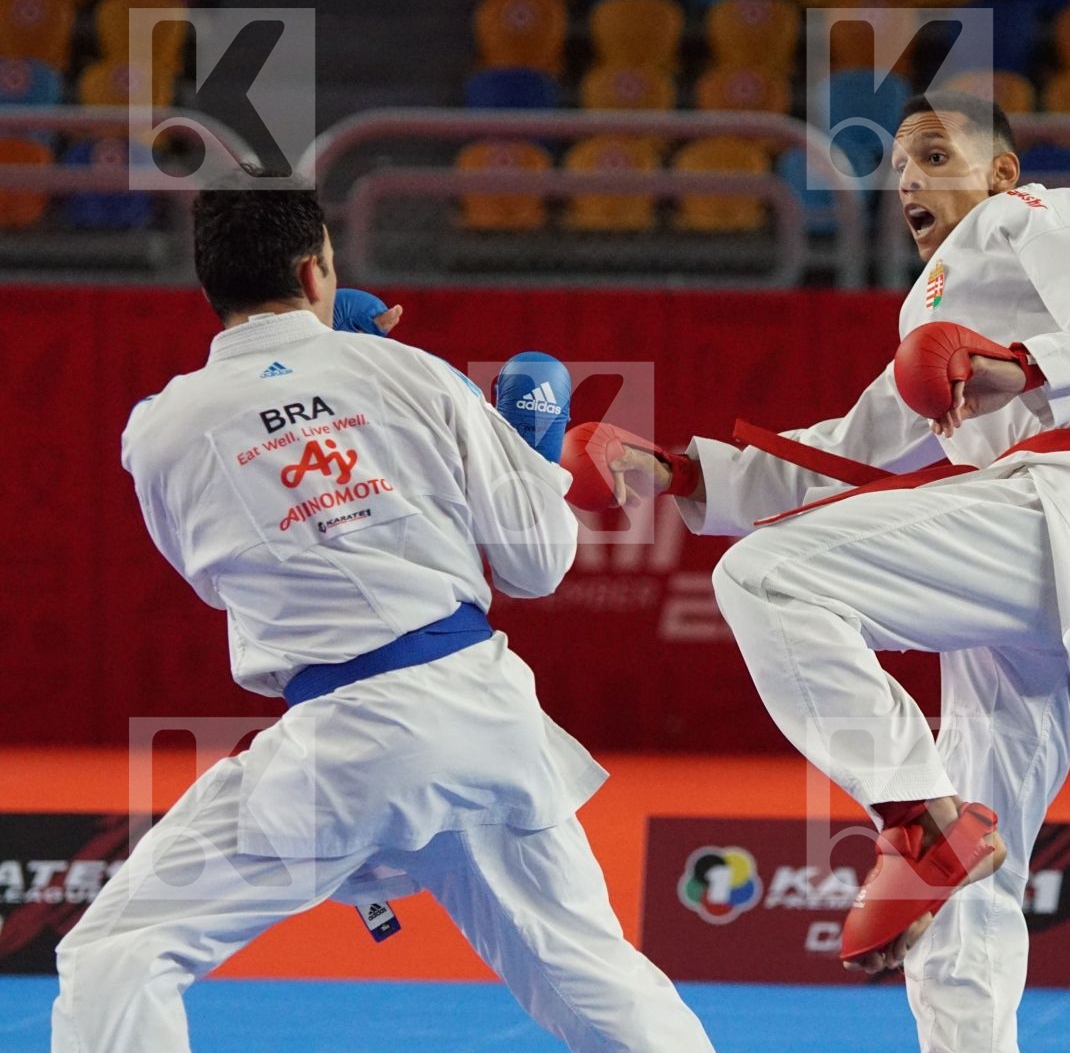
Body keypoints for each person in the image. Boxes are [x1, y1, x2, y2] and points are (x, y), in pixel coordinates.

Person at [592, 93, 1070, 1053]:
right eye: (897, 167)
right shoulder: (934, 306)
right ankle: (943, 868)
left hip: (1065, 510)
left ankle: (919, 820)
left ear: (1001, 173)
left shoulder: (1040, 214)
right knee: (976, 893)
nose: (910, 179)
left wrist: (1021, 366)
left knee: (771, 578)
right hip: (1054, 580)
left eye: (932, 154)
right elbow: (851, 455)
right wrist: (679, 471)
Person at [52, 168, 715, 1053]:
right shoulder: (417, 376)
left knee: (120, 951)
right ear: (316, 268)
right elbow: (539, 565)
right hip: (483, 721)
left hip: (344, 752)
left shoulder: (160, 432)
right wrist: (531, 447)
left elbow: (212, 580)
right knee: (592, 975)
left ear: (207, 284)